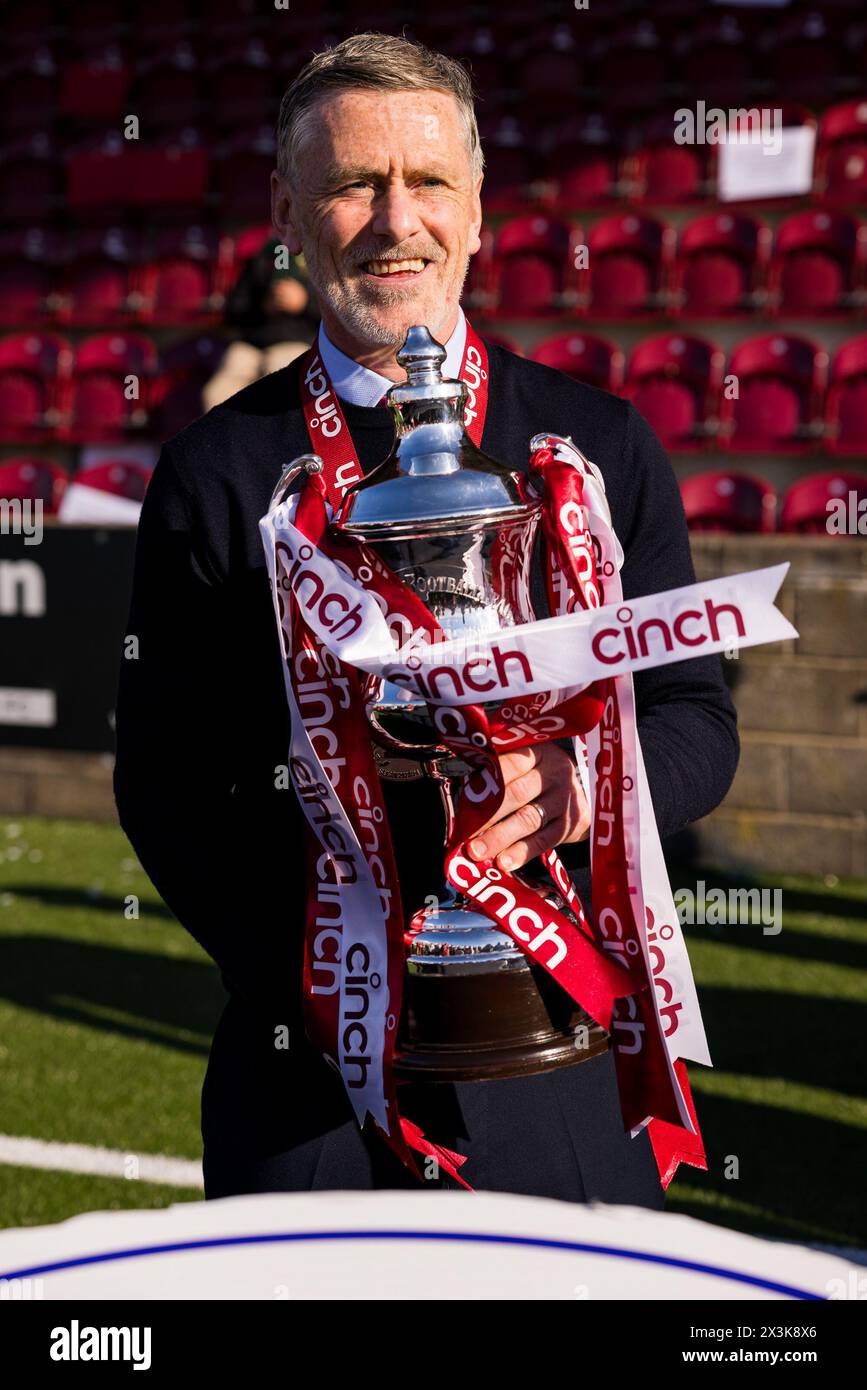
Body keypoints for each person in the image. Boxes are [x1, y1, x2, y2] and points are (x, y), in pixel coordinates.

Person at [113, 32, 738, 1205]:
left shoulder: (597, 447)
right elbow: (167, 784)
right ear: (286, 209)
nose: (397, 219)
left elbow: (695, 716)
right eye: (354, 182)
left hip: (572, 1055)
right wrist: (343, 977)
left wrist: (582, 778)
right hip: (314, 1073)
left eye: (430, 181)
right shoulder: (215, 472)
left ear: (479, 206)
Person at [202, 239, 320, 409]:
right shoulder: (263, 258)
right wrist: (263, 305)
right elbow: (233, 311)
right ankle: (230, 436)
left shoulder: (322, 257)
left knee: (280, 385)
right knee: (216, 394)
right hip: (251, 345)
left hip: (296, 343)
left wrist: (305, 302)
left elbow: (339, 314)